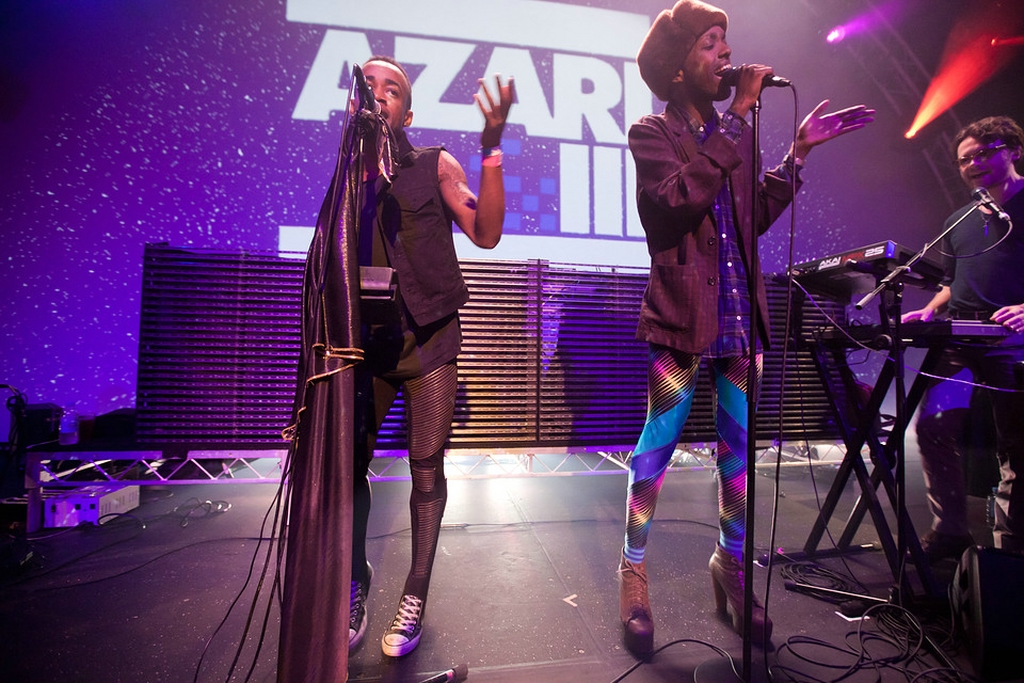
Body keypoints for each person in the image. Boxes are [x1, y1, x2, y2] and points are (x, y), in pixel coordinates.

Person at [617, 0, 874, 656]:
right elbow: (677, 202)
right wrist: (736, 119)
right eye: (711, 43)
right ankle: (634, 568)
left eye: (726, 41)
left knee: (738, 454)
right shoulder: (652, 133)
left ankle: (731, 565)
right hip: (680, 318)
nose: (727, 55)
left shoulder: (737, 133)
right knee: (658, 446)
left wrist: (799, 154)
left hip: (739, 317)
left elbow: (751, 214)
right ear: (678, 67)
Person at [348, 56, 514, 657]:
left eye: (391, 89)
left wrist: (491, 148)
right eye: (367, 86)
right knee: (348, 468)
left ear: (407, 112)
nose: (378, 95)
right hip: (363, 345)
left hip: (430, 341)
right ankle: (353, 582)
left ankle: (414, 592)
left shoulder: (431, 165)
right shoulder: (344, 186)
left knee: (425, 470)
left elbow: (487, 232)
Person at [901, 116, 1024, 563]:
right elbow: (954, 281)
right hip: (962, 336)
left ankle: (1010, 546)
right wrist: (931, 308)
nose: (972, 164)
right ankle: (950, 529)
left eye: (982, 154)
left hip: (1013, 340)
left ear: (1012, 150)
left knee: (1017, 442)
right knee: (932, 427)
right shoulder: (960, 218)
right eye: (964, 160)